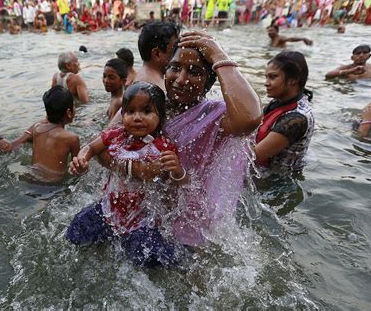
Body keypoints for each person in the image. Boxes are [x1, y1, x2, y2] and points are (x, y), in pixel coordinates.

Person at [71, 31, 262, 248]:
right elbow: (103, 147)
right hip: (128, 205)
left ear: (209, 81)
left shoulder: (214, 117)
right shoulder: (146, 105)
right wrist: (136, 169)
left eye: (195, 72)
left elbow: (249, 118)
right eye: (175, 67)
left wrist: (218, 55)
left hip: (181, 221)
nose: (181, 79)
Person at [66, 82, 185, 267]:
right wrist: (81, 160)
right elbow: (90, 147)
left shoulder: (163, 147)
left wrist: (177, 170)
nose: (137, 118)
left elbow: (168, 178)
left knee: (150, 258)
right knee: (76, 231)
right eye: (130, 111)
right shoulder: (117, 135)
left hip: (141, 218)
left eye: (146, 111)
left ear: (161, 117)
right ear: (122, 115)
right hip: (109, 210)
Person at [254, 51, 315, 171]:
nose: (266, 83)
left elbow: (254, 156)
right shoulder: (278, 102)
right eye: (266, 77)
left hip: (276, 183)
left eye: (273, 77)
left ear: (293, 79)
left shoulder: (296, 118)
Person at [19, 86, 80, 182]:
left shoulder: (37, 129)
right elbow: (76, 169)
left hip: (31, 179)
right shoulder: (72, 138)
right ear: (69, 112)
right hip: (54, 187)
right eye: (74, 106)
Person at [134, 21, 179, 92]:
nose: (179, 52)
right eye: (175, 47)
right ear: (157, 54)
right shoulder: (158, 88)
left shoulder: (141, 78)